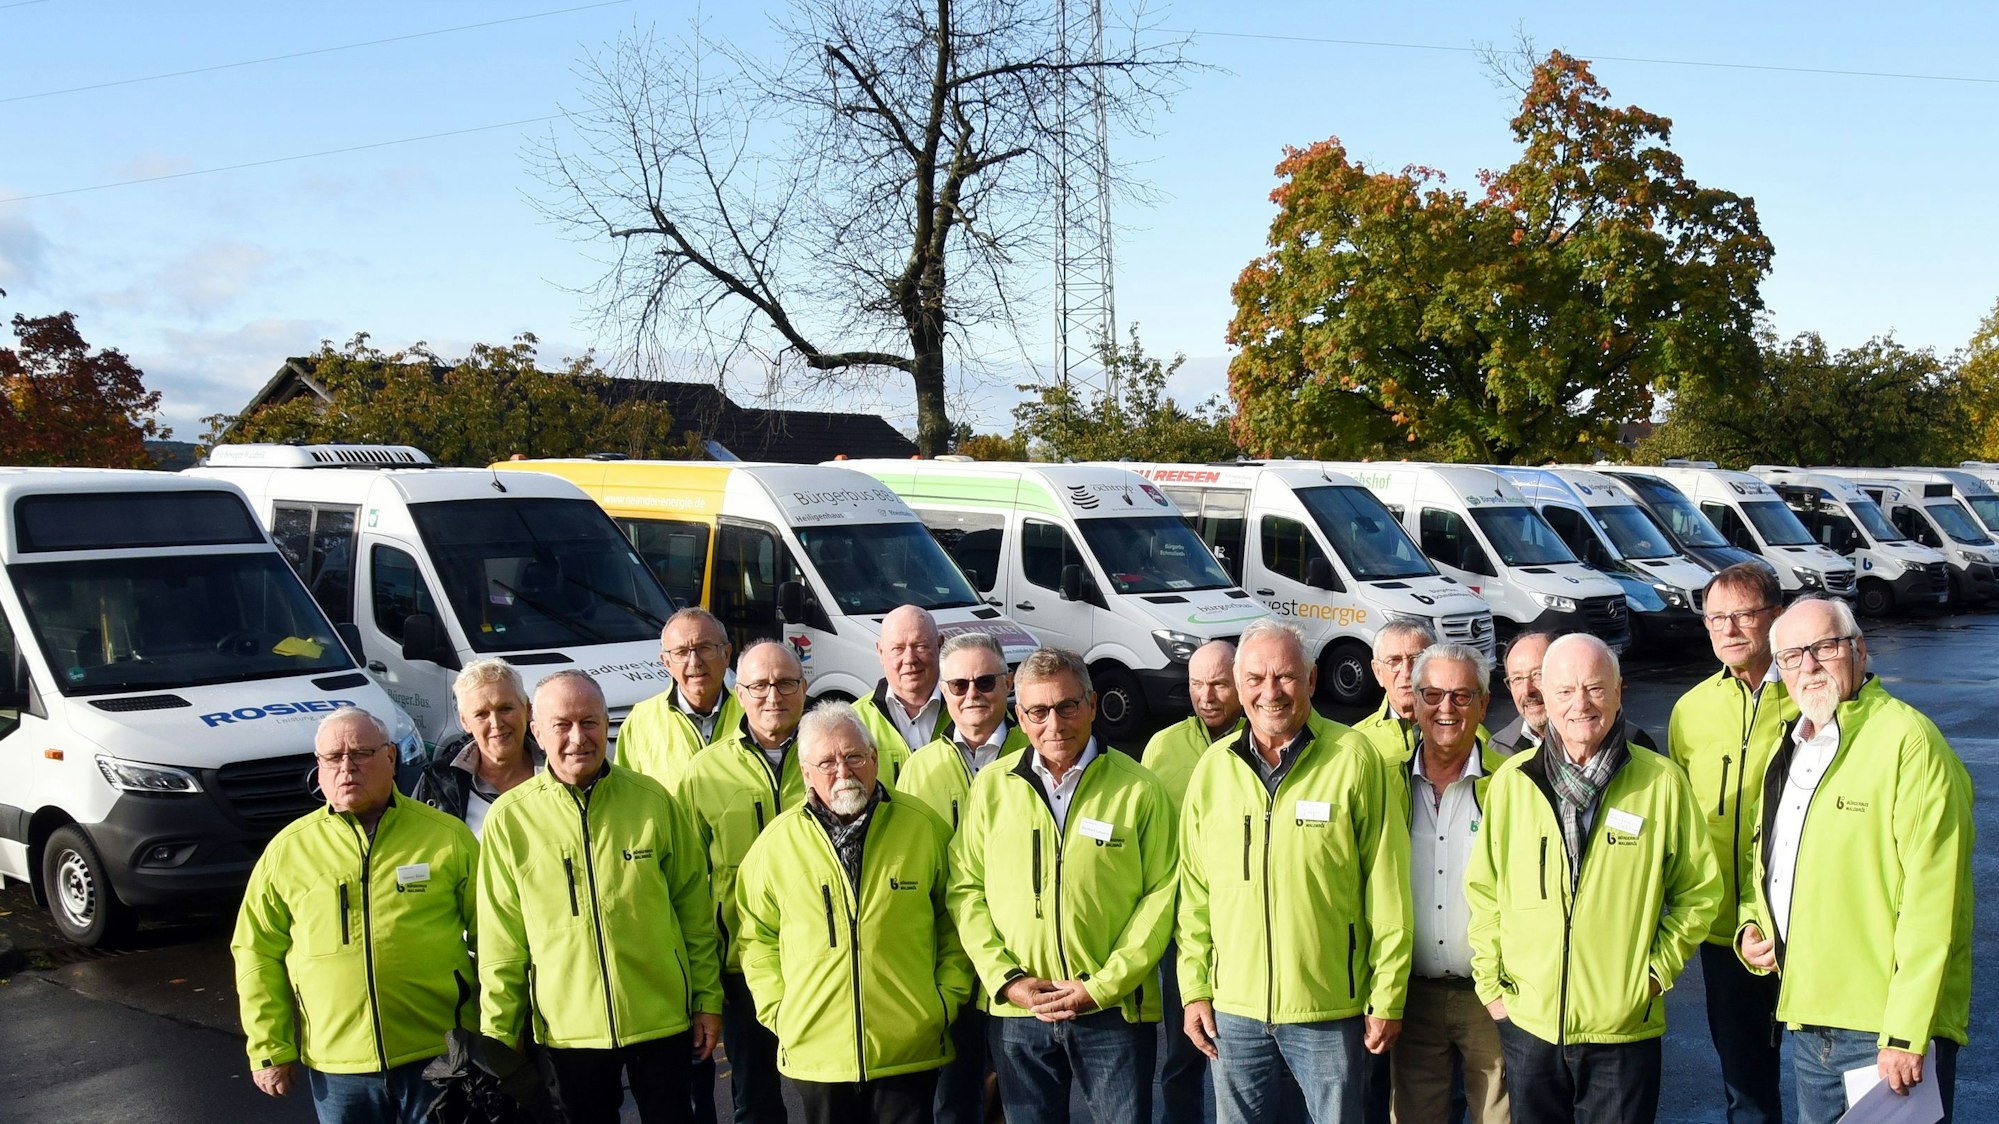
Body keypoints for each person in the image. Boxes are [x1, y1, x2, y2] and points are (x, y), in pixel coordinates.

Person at [1735, 598, 1974, 1124]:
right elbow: (1775, 862)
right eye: (1793, 655)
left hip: (1882, 1031)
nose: (1810, 666)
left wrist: (1907, 1031)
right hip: (1807, 1019)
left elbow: (1935, 901)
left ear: (1859, 650)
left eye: (1825, 647)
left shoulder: (1908, 743)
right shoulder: (1792, 746)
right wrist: (1757, 925)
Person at [1466, 634, 1720, 1124]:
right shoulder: (1512, 782)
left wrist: (1652, 976)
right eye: (1565, 691)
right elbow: (1483, 890)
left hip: (1622, 1030)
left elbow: (1699, 892)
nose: (1580, 704)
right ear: (1545, 694)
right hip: (1528, 1025)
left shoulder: (1661, 783)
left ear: (1620, 690)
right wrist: (1492, 986)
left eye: (1595, 689)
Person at [1176, 618, 1412, 1124]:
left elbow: (1387, 886)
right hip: (1233, 1009)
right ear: (1240, 687)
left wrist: (1387, 993)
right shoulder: (1214, 769)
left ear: (1311, 679)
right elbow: (1195, 893)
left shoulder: (1354, 758)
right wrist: (1194, 987)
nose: (1270, 692)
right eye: (1256, 679)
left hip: (1329, 1007)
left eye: (1284, 676)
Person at [477, 671, 723, 1124]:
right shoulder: (510, 820)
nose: (578, 738)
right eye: (561, 725)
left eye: (590, 722)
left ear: (606, 722)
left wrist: (707, 999)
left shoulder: (653, 801)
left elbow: (694, 910)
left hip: (662, 1020)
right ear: (536, 730)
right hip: (569, 1033)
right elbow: (502, 941)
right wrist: (498, 1033)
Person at [949, 647, 1178, 1124]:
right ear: (1020, 715)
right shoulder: (991, 788)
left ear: (1092, 705)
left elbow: (1162, 895)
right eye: (1038, 711)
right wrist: (1006, 981)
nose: (1054, 724)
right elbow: (965, 889)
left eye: (1067, 706)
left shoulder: (1139, 789)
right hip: (1020, 1012)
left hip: (1112, 1011)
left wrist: (1103, 986)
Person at [234, 706, 479, 1123]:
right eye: (333, 757)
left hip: (439, 1053)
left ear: (390, 758)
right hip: (339, 1067)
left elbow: (494, 935)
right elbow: (256, 950)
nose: (346, 767)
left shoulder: (444, 836)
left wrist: (501, 1030)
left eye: (361, 753)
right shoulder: (288, 850)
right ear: (319, 766)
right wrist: (269, 1046)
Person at [736, 702, 975, 1124]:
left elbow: (954, 923)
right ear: (806, 773)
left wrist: (941, 1003)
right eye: (826, 762)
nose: (842, 772)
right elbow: (757, 937)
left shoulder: (923, 827)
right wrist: (781, 1011)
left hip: (909, 1047)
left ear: (875, 759)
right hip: (818, 1052)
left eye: (853, 757)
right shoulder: (776, 844)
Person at [1665, 565, 1790, 1124]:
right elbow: (1677, 822)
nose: (1729, 628)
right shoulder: (1690, 711)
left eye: (1743, 614)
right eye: (1716, 617)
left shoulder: (1811, 695)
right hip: (1725, 934)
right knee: (1747, 1090)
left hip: (1801, 923)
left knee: (1834, 1081)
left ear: (1776, 617)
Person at [677, 639, 810, 1124]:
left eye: (785, 683)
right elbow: (690, 884)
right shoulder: (705, 772)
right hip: (742, 966)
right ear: (740, 690)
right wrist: (704, 978)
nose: (772, 695)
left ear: (804, 687)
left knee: (834, 1095)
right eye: (758, 685)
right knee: (754, 1101)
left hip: (825, 960)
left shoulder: (833, 756)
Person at [897, 631, 1027, 1124]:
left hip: (1019, 955)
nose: (972, 694)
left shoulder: (1035, 755)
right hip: (948, 956)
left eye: (985, 681)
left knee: (1018, 1097)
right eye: (958, 685)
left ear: (1007, 683)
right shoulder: (919, 768)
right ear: (944, 692)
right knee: (952, 1096)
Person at [1391, 644, 1510, 1124]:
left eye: (1462, 696)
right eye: (1433, 694)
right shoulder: (1386, 782)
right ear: (1415, 702)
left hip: (1493, 995)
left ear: (1483, 705)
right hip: (1411, 995)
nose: (1446, 708)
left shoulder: (1511, 783)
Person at [1138, 639, 1240, 1124]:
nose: (1207, 695)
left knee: (1243, 1057)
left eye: (1219, 683)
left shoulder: (1262, 737)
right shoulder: (1164, 746)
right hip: (1186, 928)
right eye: (1197, 684)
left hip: (1245, 924)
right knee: (1183, 1053)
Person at [412, 658, 543, 836]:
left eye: (505, 708)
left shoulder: (561, 771)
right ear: (464, 721)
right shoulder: (438, 782)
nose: (496, 723)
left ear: (528, 709)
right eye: (481, 714)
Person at [617, 607, 743, 789]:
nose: (695, 662)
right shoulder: (640, 721)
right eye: (681, 652)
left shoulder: (752, 714)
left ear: (726, 654)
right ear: (666, 662)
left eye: (704, 648)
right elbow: (626, 793)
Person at [854, 604, 950, 779]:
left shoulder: (966, 709)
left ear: (940, 645)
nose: (910, 659)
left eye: (920, 646)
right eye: (898, 648)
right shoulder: (854, 720)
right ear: (880, 652)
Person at [1352, 619, 1438, 765]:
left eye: (1417, 659)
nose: (1406, 672)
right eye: (1394, 661)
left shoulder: (1468, 734)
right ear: (1378, 671)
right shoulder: (1357, 743)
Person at [1489, 633, 1553, 755]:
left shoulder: (1593, 738)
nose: (1527, 690)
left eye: (1537, 674)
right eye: (1517, 679)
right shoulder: (1499, 749)